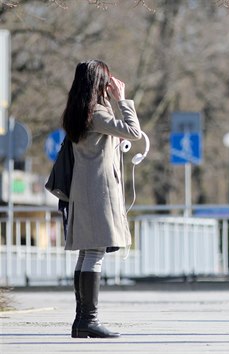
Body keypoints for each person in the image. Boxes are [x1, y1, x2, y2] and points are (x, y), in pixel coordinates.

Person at [62, 60, 143, 338]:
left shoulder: (79, 113)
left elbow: (105, 144)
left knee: (87, 252)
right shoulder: (97, 113)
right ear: (99, 84)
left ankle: (80, 320)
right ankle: (88, 319)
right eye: (107, 80)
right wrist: (123, 100)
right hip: (98, 191)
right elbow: (134, 131)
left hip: (82, 189)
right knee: (94, 253)